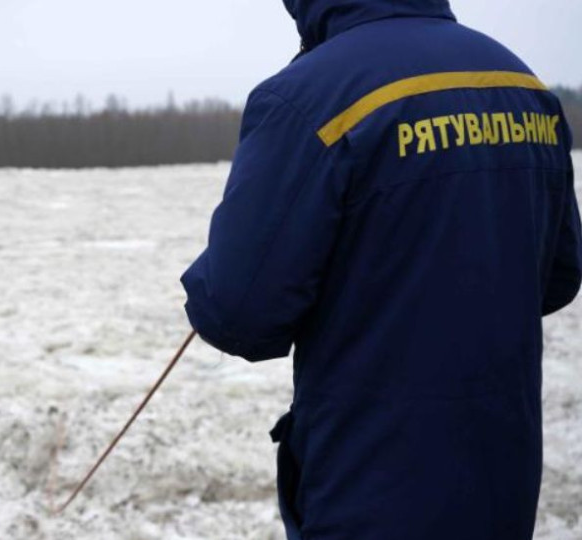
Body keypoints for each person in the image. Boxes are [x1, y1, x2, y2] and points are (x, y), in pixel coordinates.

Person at [181, 1, 581, 539]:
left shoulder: (307, 97)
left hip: (371, 481)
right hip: (502, 477)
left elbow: (239, 313)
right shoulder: (520, 82)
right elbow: (558, 274)